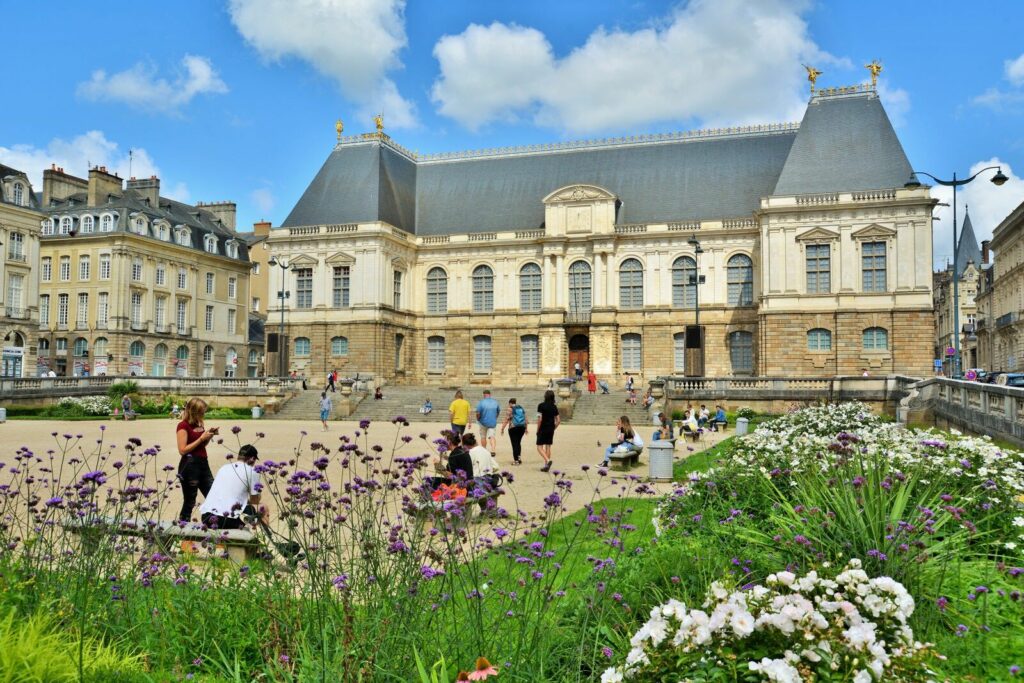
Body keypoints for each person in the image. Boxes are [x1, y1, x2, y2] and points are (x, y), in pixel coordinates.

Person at [199, 444, 266, 529]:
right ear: (252, 459)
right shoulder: (252, 471)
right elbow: (255, 500)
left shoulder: (223, 468)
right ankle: (262, 540)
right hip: (228, 519)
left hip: (207, 517)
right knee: (261, 507)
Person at [176, 398, 219, 521]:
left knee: (214, 495)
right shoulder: (183, 426)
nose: (203, 414)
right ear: (193, 411)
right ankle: (182, 529)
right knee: (190, 500)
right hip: (189, 466)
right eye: (201, 412)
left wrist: (208, 437)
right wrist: (201, 438)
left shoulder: (199, 424)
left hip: (203, 464)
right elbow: (182, 450)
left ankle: (213, 524)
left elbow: (201, 446)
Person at [535, 389, 560, 473]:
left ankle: (548, 461)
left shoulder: (541, 405)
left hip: (543, 428)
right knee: (548, 446)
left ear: (545, 396)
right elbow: (558, 420)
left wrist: (537, 429)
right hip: (550, 428)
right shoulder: (554, 406)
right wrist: (554, 428)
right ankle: (546, 466)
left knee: (539, 447)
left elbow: (540, 419)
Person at [500, 398, 528, 465]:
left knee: (514, 444)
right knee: (518, 443)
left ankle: (516, 461)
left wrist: (502, 428)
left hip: (513, 428)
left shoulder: (510, 409)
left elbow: (506, 419)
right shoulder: (521, 408)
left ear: (510, 403)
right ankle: (519, 458)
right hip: (522, 428)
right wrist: (526, 428)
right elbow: (526, 419)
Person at [475, 389, 501, 456]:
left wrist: (478, 418)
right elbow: (498, 412)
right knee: (492, 436)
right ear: (490, 394)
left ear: (484, 395)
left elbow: (478, 413)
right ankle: (493, 450)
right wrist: (495, 418)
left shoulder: (481, 402)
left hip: (483, 422)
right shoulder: (495, 402)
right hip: (492, 422)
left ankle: (484, 450)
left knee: (483, 436)